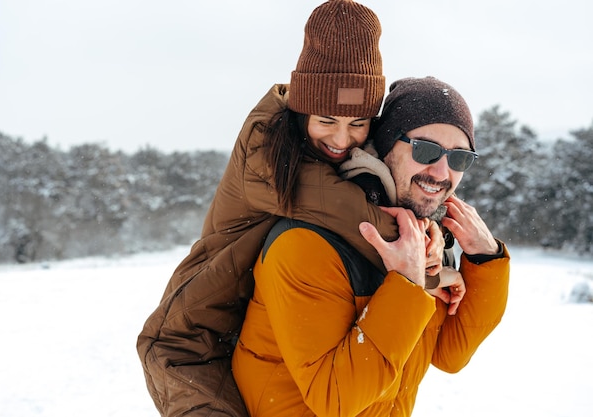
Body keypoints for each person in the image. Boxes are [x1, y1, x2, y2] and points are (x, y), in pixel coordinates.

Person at [137, 2, 451, 416]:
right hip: (194, 342)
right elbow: (357, 219)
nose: (342, 139)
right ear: (301, 111)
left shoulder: (336, 160)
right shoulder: (269, 154)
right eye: (327, 119)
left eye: (358, 123)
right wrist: (429, 253)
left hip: (248, 334)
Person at [232, 76, 510, 417]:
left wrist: (485, 258)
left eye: (459, 158)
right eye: (425, 150)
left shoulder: (429, 242)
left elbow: (450, 355)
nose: (441, 172)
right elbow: (335, 398)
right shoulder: (307, 242)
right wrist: (408, 284)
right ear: (387, 145)